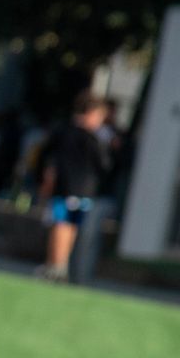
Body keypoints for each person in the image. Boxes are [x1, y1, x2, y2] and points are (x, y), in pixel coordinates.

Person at [35, 92, 112, 283]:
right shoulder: (89, 138)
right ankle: (58, 265)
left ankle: (58, 265)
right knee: (64, 226)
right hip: (74, 188)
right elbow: (104, 165)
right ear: (91, 113)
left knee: (66, 226)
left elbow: (44, 155)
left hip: (70, 188)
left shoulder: (63, 131)